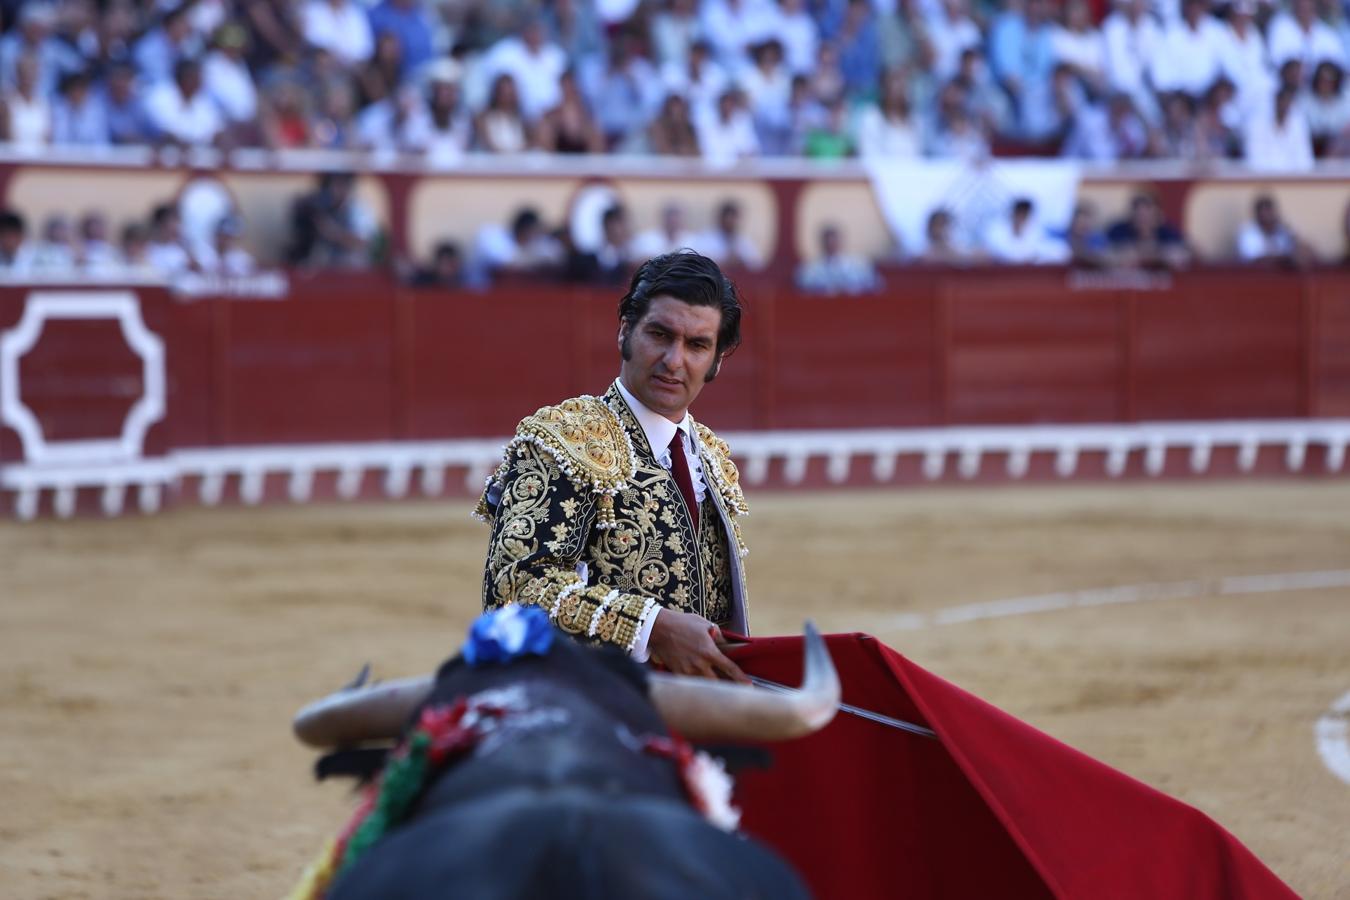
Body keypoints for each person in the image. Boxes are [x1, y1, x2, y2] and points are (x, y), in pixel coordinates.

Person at [478, 251, 751, 681]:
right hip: (592, 716)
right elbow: (514, 590)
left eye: (697, 345)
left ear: (717, 361)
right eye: (659, 335)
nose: (674, 360)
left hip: (701, 716)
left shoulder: (711, 458)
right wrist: (651, 627)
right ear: (625, 332)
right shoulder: (564, 439)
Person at [796, 223, 881, 294]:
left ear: (841, 241)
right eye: (828, 241)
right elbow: (803, 287)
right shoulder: (810, 268)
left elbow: (875, 285)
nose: (831, 245)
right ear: (822, 243)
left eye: (834, 240)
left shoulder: (859, 264)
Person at [1235, 194, 1315, 267]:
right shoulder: (1247, 231)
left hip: (1282, 275)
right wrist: (1284, 258)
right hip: (1255, 275)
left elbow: (1298, 252)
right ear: (1257, 214)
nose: (1267, 216)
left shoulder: (1283, 229)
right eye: (1264, 212)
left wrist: (1295, 241)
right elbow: (1252, 260)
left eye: (1270, 212)